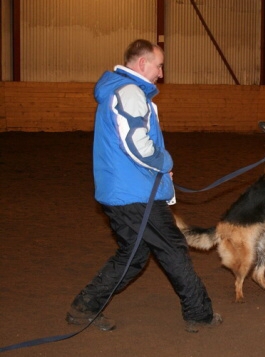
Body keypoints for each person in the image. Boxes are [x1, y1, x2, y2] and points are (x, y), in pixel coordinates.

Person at [66, 39, 222, 332]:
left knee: (134, 255)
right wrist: (164, 163)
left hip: (121, 190)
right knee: (173, 249)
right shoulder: (130, 92)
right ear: (142, 64)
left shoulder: (117, 90)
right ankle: (199, 313)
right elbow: (137, 145)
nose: (161, 73)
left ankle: (84, 307)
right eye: (159, 65)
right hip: (134, 193)